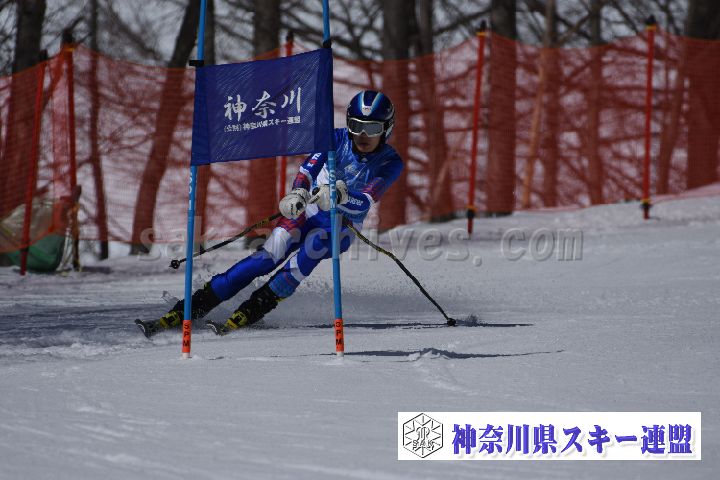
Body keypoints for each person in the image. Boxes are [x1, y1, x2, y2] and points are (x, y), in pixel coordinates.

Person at [135, 90, 403, 338]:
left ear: (386, 129)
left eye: (372, 128)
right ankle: (193, 306)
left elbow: (365, 201)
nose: (363, 135)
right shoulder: (335, 138)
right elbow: (307, 170)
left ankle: (253, 309)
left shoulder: (391, 162)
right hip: (308, 211)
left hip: (340, 225)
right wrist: (299, 192)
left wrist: (340, 196)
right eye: (356, 125)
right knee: (266, 257)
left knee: (308, 254)